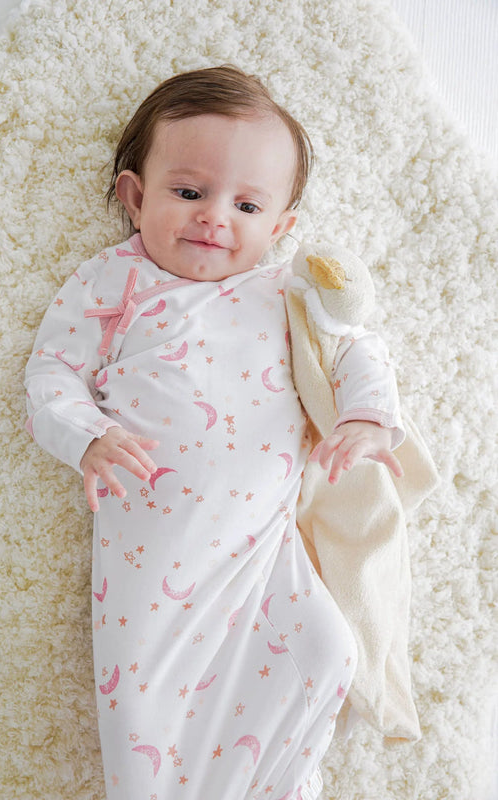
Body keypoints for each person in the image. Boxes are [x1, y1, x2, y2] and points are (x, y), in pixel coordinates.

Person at [25, 65, 404, 800]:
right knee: (144, 704)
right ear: (135, 197)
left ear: (280, 227)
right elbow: (50, 375)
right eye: (189, 193)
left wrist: (366, 416)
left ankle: (281, 786)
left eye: (247, 204)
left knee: (325, 654)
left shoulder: (283, 289)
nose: (214, 218)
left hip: (262, 545)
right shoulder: (112, 282)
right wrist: (88, 434)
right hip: (154, 547)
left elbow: (356, 347)